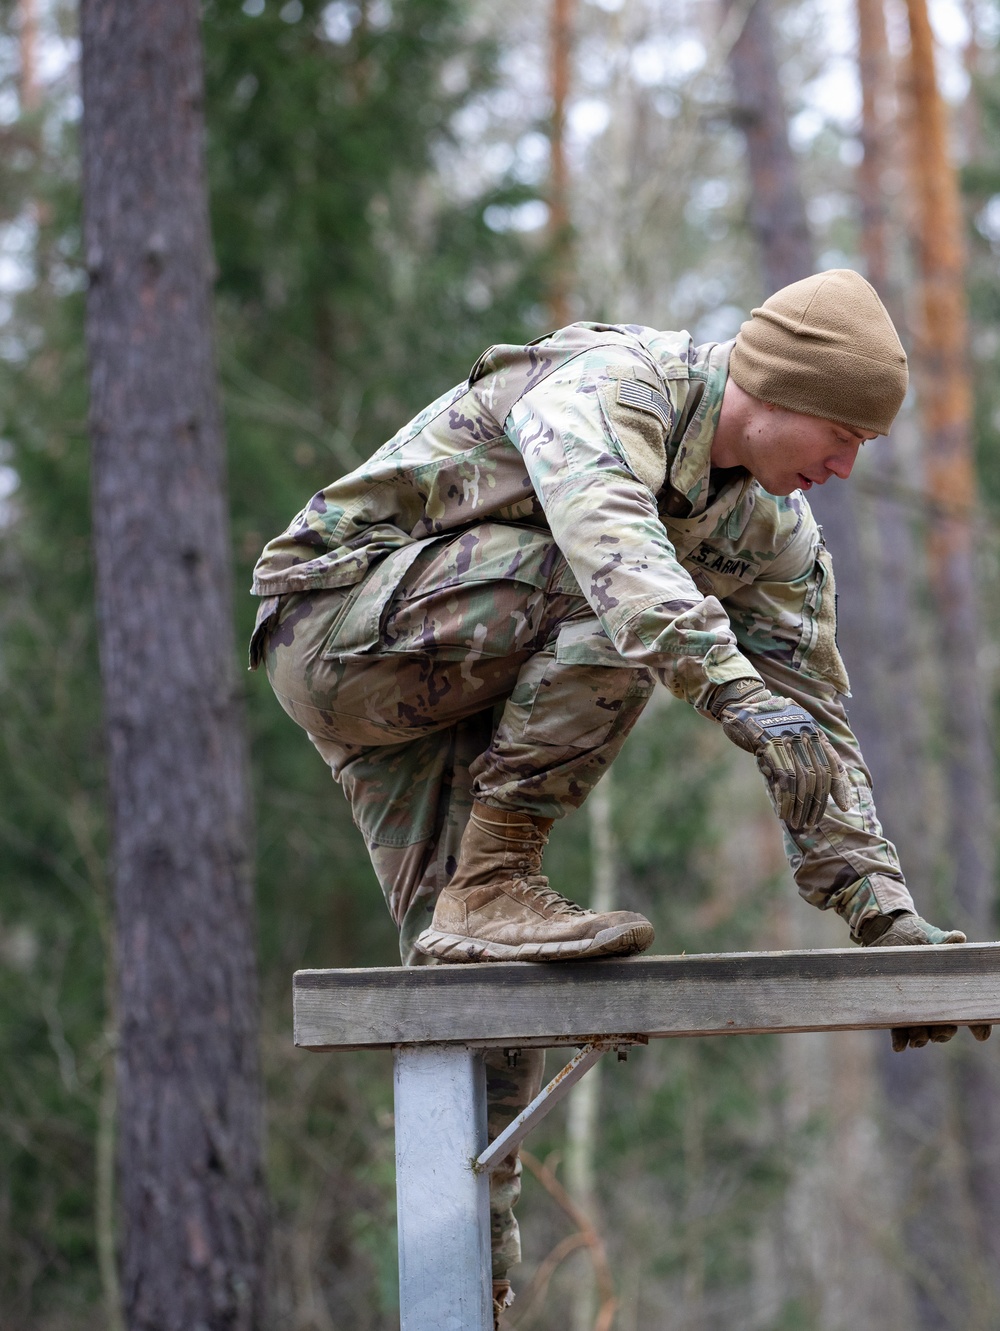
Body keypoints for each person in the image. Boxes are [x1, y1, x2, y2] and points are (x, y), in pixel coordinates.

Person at [249, 269, 987, 1326]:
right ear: (773, 388)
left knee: (490, 1001)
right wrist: (735, 694)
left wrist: (883, 911)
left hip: (452, 684)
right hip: (338, 630)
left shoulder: (773, 535)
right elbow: (619, 565)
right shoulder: (616, 387)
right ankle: (497, 874)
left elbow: (813, 719)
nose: (844, 463)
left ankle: (475, 1279)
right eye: (839, 431)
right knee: (615, 596)